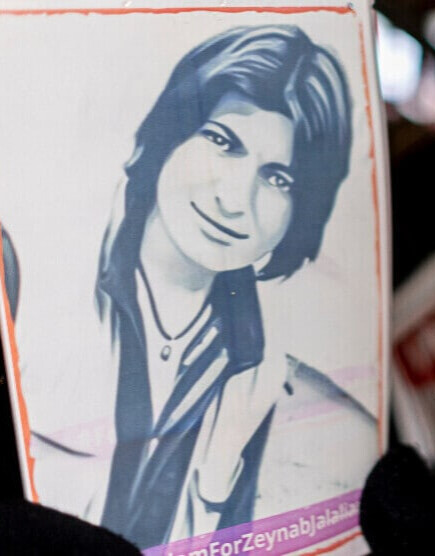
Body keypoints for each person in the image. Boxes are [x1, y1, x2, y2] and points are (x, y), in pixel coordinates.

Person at [20, 24, 360, 550]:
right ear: (169, 134)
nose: (235, 199)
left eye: (278, 178)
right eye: (222, 142)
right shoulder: (32, 287)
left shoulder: (284, 391)